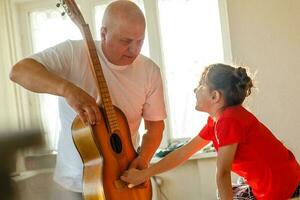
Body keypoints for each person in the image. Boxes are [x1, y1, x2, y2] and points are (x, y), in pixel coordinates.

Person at [9, 1, 166, 199]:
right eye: (126, 41)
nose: (134, 50)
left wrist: (143, 160)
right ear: (103, 33)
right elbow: (18, 71)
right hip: (73, 184)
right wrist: (67, 89)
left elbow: (155, 127)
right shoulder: (73, 53)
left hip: (123, 180)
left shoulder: (149, 71)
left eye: (140, 41)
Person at [121, 63, 300, 200]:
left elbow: (222, 172)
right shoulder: (218, 121)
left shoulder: (228, 121)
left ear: (215, 96)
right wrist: (145, 173)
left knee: (225, 190)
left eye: (200, 85)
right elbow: (183, 153)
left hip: (280, 186)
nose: (195, 89)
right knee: (227, 190)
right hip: (283, 178)